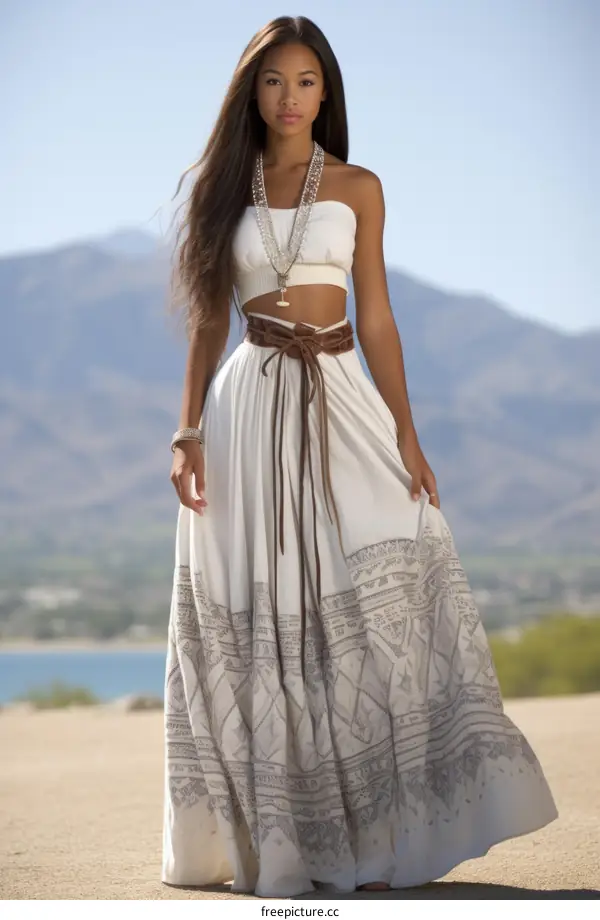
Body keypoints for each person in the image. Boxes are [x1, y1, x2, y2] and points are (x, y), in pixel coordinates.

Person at [161, 15, 557, 898]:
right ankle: (270, 836)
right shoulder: (222, 188)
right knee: (261, 606)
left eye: (306, 82)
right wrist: (187, 431)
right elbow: (208, 318)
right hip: (248, 404)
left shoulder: (359, 187)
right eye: (273, 81)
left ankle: (382, 823)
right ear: (251, 92)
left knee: (398, 554)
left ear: (326, 92)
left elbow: (376, 315)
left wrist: (406, 432)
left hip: (341, 393)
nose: (289, 97)